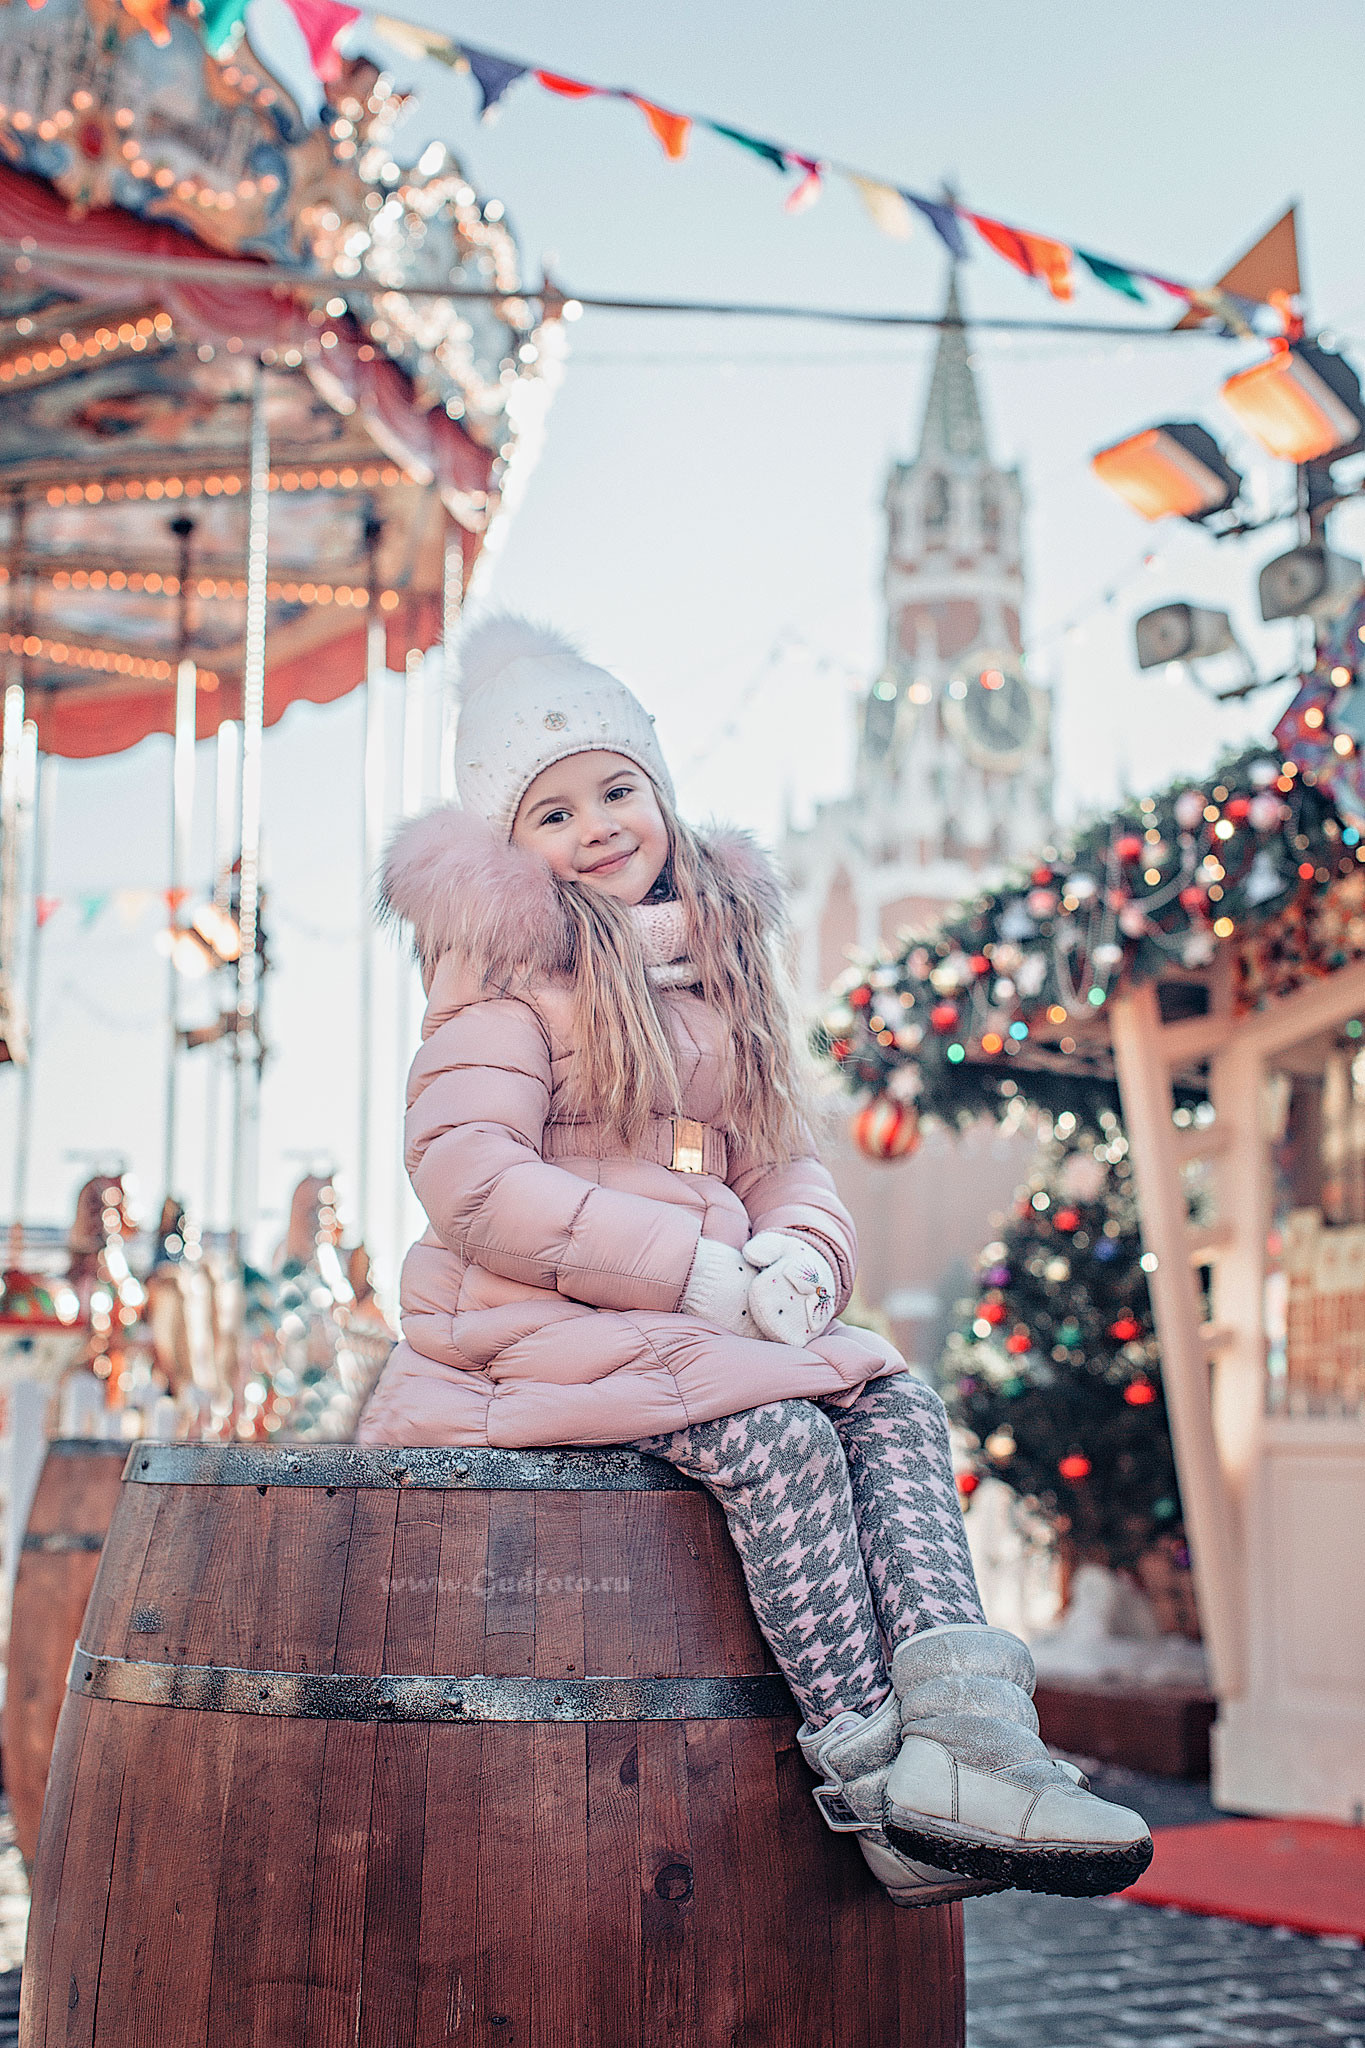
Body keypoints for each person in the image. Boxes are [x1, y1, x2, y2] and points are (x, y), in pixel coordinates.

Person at [358, 617, 1153, 1907]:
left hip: (692, 1321)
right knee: (779, 1432)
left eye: (620, 789)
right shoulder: (501, 988)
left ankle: (975, 1747)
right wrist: (695, 1272)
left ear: (663, 796)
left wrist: (800, 1254)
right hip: (534, 1324)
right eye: (553, 812)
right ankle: (881, 1787)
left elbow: (781, 1158)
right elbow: (475, 1184)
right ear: (508, 851)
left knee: (893, 1399)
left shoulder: (713, 975)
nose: (601, 824)